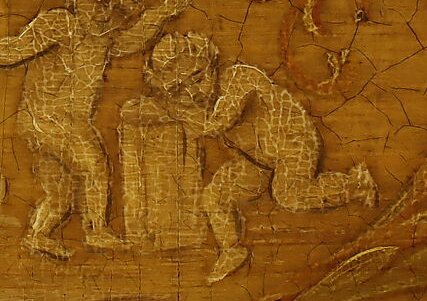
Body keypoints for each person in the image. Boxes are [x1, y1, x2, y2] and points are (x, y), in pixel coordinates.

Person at [0, 0, 189, 258]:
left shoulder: (104, 38)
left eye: (116, 8)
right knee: (94, 166)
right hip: (49, 118)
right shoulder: (61, 24)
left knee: (60, 192)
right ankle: (96, 230)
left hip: (53, 124)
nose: (105, 13)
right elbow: (19, 47)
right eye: (99, 0)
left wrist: (162, 13)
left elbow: (134, 39)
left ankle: (38, 234)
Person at [141, 31, 377, 279]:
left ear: (211, 63)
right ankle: (231, 250)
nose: (193, 92)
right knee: (215, 196)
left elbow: (221, 121)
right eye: (179, 88)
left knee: (290, 194)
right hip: (255, 160)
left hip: (291, 143)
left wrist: (181, 114)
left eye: (198, 77)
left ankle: (355, 185)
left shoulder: (240, 77)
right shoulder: (199, 103)